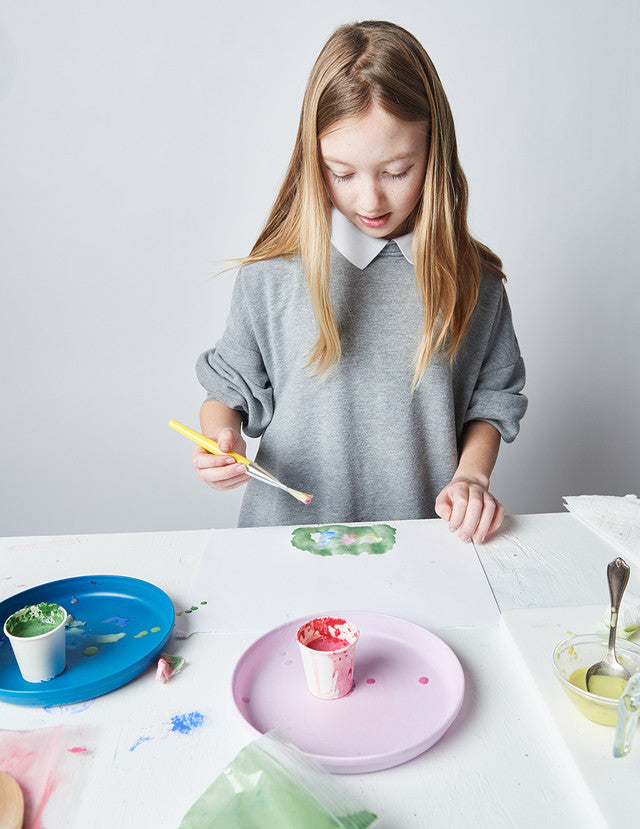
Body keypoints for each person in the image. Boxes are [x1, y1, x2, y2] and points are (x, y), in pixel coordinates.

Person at [193, 20, 527, 542]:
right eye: (342, 173)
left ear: (433, 153)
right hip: (283, 548)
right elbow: (226, 391)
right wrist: (221, 439)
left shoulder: (476, 284)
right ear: (313, 160)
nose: (370, 201)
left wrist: (471, 477)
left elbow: (493, 400)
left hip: (420, 549)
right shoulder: (273, 275)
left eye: (396, 170)